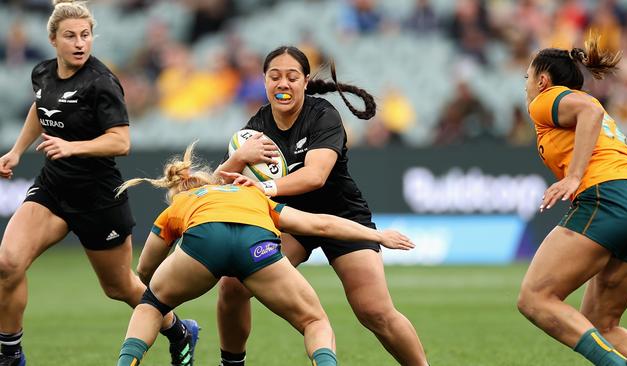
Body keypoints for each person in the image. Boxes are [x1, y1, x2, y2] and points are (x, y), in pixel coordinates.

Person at [0, 1, 199, 365]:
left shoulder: (102, 82)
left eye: (86, 35)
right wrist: (16, 151)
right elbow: (40, 107)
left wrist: (72, 147)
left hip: (98, 198)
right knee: (7, 263)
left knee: (119, 287)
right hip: (53, 188)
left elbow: (121, 142)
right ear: (53, 40)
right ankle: (10, 354)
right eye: (71, 36)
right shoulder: (42, 73)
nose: (80, 43)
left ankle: (179, 330)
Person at [215, 45, 429, 366]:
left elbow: (315, 176)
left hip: (341, 216)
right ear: (264, 81)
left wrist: (263, 188)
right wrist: (236, 160)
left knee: (374, 311)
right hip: (290, 223)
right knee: (232, 287)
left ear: (304, 81)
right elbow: (224, 182)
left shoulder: (323, 116)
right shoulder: (256, 127)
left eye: (291, 77)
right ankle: (232, 363)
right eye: (274, 77)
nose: (282, 84)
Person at [113, 142, 415, 366]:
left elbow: (146, 267)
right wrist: (377, 235)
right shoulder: (252, 193)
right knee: (314, 322)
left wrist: (159, 296)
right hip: (257, 246)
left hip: (203, 243)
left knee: (149, 305)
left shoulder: (179, 205)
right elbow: (320, 223)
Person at [517, 33, 627, 366]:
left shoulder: (546, 100)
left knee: (535, 297)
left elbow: (590, 109)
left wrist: (574, 176)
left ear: (543, 80)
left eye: (527, 78)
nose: (526, 86)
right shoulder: (567, 108)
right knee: (602, 324)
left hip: (609, 196)